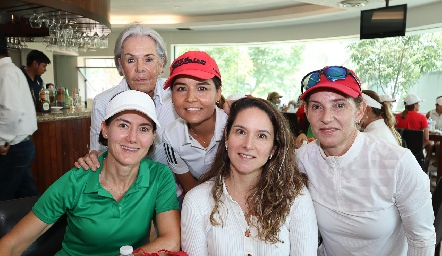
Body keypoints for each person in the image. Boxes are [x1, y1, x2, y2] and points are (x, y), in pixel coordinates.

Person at [0, 90, 180, 256]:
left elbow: (171, 241)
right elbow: (11, 244)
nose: (132, 138)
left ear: (152, 137)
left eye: (143, 129)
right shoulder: (76, 180)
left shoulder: (159, 176)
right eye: (123, 125)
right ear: (104, 129)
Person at [296, 66, 435, 255]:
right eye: (316, 106)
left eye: (339, 105)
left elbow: (421, 240)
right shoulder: (303, 160)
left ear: (360, 111)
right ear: (306, 112)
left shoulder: (397, 163)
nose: (326, 118)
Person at [181, 97, 318, 255]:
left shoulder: (295, 197)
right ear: (226, 136)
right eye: (240, 131)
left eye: (261, 136)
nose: (248, 145)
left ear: (273, 148)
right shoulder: (197, 201)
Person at [77, 23, 179, 172]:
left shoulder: (177, 95)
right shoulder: (102, 102)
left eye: (148, 59)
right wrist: (91, 159)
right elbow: (97, 153)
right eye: (131, 60)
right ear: (121, 65)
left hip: (170, 189)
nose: (139, 68)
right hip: (123, 192)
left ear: (161, 63)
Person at [162, 51, 228, 195]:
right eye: (181, 89)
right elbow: (190, 188)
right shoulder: (171, 135)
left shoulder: (233, 126)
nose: (190, 98)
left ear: (218, 93)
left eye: (202, 88)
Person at [0, 34, 39, 201]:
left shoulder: (6, 73)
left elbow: (11, 111)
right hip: (21, 146)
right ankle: (45, 226)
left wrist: (2, 140)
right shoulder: (11, 70)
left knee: (4, 198)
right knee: (26, 196)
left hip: (14, 147)